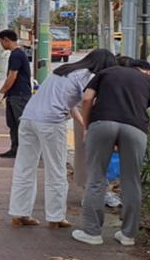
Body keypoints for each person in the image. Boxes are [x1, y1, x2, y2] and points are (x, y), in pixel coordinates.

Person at [72, 58, 150, 247]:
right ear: (146, 71)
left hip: (101, 123)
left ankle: (92, 233)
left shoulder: (107, 72)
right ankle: (128, 235)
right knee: (131, 180)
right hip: (136, 129)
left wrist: (87, 126)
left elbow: (87, 98)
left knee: (96, 178)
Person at [8, 49, 117, 229]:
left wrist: (84, 125)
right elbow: (87, 101)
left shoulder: (63, 70)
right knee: (56, 169)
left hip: (28, 119)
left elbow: (70, 105)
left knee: (24, 168)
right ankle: (56, 217)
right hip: (51, 122)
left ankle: (19, 213)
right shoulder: (88, 76)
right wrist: (90, 125)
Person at [0, 30, 33, 159]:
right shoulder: (16, 54)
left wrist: (1, 92)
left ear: (6, 40)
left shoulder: (17, 55)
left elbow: (12, 76)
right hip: (14, 94)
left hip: (20, 95)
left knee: (21, 124)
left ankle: (25, 151)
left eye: (1, 41)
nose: (1, 44)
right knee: (12, 123)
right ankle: (15, 149)